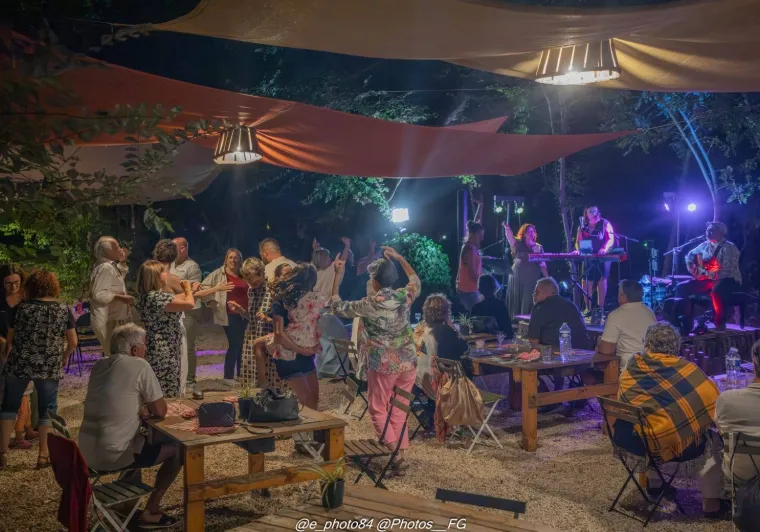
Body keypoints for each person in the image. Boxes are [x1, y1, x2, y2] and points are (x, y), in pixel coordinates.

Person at [78, 324, 181, 528]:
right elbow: (161, 410)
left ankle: (125, 507)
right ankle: (151, 511)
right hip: (112, 455)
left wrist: (140, 408)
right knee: (178, 449)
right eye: (144, 345)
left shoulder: (99, 365)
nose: (146, 350)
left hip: (85, 454)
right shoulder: (139, 365)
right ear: (134, 349)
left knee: (139, 441)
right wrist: (146, 410)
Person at [327, 247, 420, 474]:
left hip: (384, 363)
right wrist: (400, 258)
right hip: (408, 361)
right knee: (400, 406)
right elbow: (415, 280)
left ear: (375, 282)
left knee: (378, 407)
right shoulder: (404, 296)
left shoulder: (369, 303)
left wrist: (338, 276)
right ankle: (400, 453)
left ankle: (395, 454)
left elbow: (336, 305)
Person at [615, 322, 719, 501]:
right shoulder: (688, 369)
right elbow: (713, 399)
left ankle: (655, 484)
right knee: (714, 439)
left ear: (648, 345)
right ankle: (712, 503)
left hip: (630, 440)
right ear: (676, 346)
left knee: (650, 422)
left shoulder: (631, 368)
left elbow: (623, 403)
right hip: (674, 447)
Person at [0, 270, 77, 470]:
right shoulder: (63, 309)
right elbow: (73, 342)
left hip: (20, 362)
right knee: (47, 409)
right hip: (48, 365)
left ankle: (2, 453)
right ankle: (43, 455)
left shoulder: (21, 308)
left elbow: (10, 339)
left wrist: (9, 353)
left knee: (9, 406)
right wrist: (63, 356)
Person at [155, 240, 232, 392]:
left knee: (177, 348)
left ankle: (178, 382)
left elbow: (185, 297)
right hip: (173, 315)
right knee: (178, 348)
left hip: (169, 315)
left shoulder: (154, 272)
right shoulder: (169, 276)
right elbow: (189, 296)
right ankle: (177, 383)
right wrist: (215, 288)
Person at [700, 339, 760, 518]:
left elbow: (719, 427)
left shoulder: (727, 399)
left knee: (713, 438)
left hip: (740, 473)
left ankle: (711, 503)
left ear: (753, 363)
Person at [253, 264, 326, 409]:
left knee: (314, 398)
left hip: (305, 354)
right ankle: (263, 385)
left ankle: (309, 427)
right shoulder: (282, 301)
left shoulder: (309, 301)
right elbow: (279, 336)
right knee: (304, 399)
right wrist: (303, 350)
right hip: (288, 354)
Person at [136, 260, 195, 398]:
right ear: (155, 276)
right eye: (163, 272)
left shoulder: (150, 296)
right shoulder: (157, 297)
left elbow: (175, 298)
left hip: (160, 344)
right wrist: (187, 288)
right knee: (166, 386)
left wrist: (191, 291)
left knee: (159, 385)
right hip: (163, 348)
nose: (167, 274)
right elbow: (189, 304)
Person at [229, 258, 288, 390]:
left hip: (269, 338)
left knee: (271, 378)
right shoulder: (251, 291)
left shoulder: (272, 290)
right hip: (252, 336)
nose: (251, 283)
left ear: (261, 273)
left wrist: (268, 319)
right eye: (248, 280)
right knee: (251, 379)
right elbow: (253, 318)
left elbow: (284, 319)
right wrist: (241, 310)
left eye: (253, 280)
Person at [675, 221, 742, 331]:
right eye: (707, 230)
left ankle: (719, 321)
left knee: (716, 289)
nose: (708, 232)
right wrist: (692, 267)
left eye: (712, 230)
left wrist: (706, 274)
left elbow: (727, 269)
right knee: (681, 287)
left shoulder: (729, 247)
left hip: (729, 279)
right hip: (710, 278)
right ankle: (685, 320)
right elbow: (689, 255)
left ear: (721, 233)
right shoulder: (704, 245)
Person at [0, 264, 39, 449]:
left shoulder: (26, 298)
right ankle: (16, 433)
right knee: (16, 392)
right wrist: (4, 342)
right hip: (3, 351)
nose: (14, 287)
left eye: (17, 282)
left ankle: (27, 428)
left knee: (28, 392)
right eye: (9, 283)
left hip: (24, 348)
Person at [201, 249, 248, 387]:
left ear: (240, 260)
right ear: (226, 259)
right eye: (230, 257)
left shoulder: (244, 273)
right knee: (235, 343)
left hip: (244, 313)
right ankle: (228, 376)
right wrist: (210, 301)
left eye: (236, 257)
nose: (233, 260)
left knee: (242, 344)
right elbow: (203, 288)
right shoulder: (219, 274)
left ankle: (240, 374)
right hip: (228, 313)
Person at [89, 236, 135, 355]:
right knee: (114, 355)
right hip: (108, 321)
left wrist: (122, 262)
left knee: (117, 355)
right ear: (107, 250)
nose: (121, 249)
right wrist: (120, 297)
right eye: (117, 247)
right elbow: (99, 294)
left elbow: (117, 278)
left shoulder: (108, 266)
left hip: (112, 319)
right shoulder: (106, 267)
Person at [598, 280, 656, 368]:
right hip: (651, 365)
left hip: (628, 368)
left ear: (623, 297)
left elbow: (606, 351)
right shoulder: (650, 312)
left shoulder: (615, 315)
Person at [170, 237, 202, 389]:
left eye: (173, 247)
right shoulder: (170, 264)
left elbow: (194, 292)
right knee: (176, 344)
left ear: (182, 249)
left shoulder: (192, 267)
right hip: (175, 309)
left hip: (189, 310)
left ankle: (190, 380)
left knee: (187, 344)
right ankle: (178, 376)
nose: (170, 251)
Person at [527, 278, 592, 350]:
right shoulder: (571, 305)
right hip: (583, 352)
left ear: (550, 293)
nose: (533, 295)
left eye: (537, 292)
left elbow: (533, 341)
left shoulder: (540, 307)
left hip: (557, 353)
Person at [575, 205, 615, 313]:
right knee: (586, 280)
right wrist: (579, 250)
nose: (593, 213)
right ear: (586, 214)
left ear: (598, 212)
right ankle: (588, 308)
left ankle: (600, 309)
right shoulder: (582, 226)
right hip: (588, 255)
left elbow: (611, 239)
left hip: (603, 256)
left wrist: (605, 248)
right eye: (590, 211)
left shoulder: (605, 223)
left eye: (595, 211)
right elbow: (578, 241)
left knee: (602, 280)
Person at [504, 223, 548, 318]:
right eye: (528, 232)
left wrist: (547, 278)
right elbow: (510, 237)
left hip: (531, 278)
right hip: (517, 277)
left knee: (528, 300)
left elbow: (542, 264)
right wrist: (507, 229)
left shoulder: (538, 247)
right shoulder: (518, 243)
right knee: (516, 299)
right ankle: (514, 322)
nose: (531, 233)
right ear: (524, 234)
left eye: (533, 232)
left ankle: (526, 322)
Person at [456, 199, 484, 311]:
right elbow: (472, 273)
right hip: (468, 289)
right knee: (476, 315)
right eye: (480, 234)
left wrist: (480, 206)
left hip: (469, 288)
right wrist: (483, 284)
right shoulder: (469, 249)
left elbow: (476, 222)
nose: (481, 237)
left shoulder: (471, 246)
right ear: (473, 234)